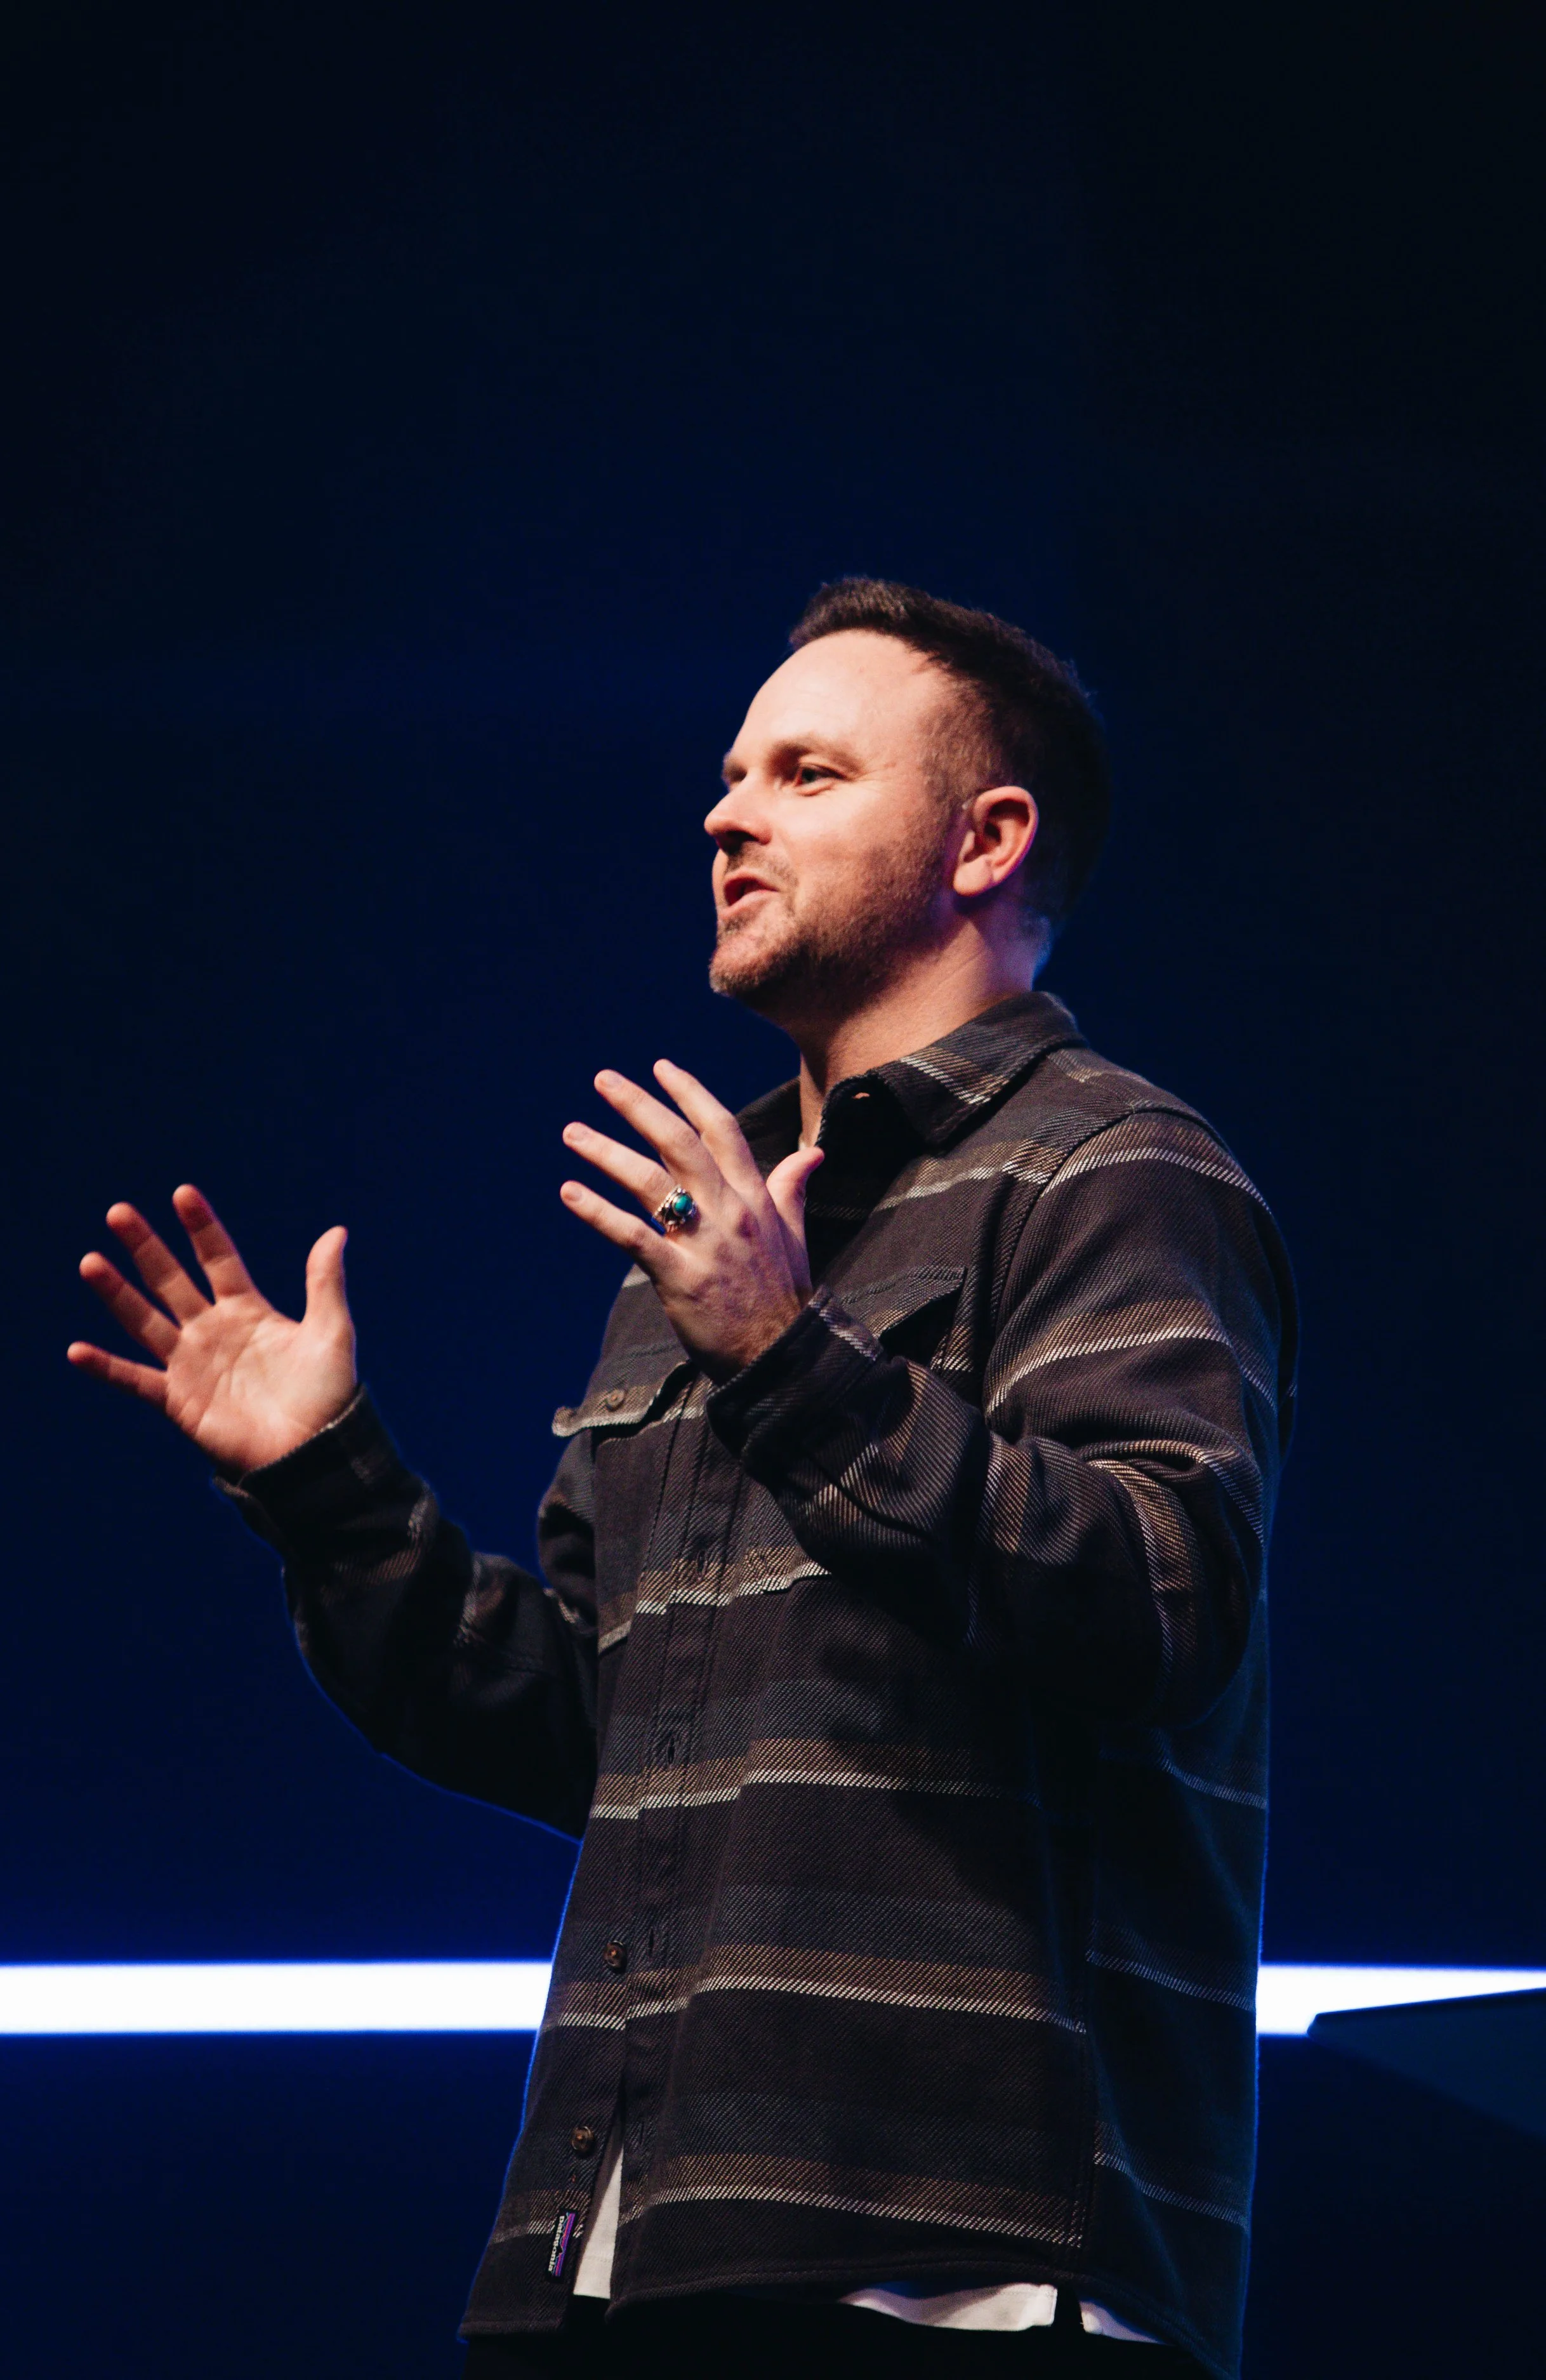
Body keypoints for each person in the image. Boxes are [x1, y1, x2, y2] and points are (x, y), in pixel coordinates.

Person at [70, 581, 1297, 2380]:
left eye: (804, 772)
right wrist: (330, 1486)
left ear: (988, 837)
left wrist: (786, 1358)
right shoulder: (704, 1249)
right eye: (730, 776)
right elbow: (593, 1730)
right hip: (621, 2249)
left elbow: (1159, 1600)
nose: (727, 814)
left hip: (958, 2264)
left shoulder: (1111, 1170)